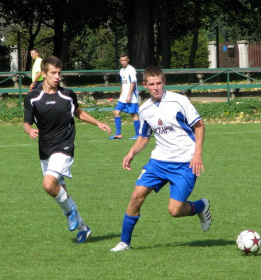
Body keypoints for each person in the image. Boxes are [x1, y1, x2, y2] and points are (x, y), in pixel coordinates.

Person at [110, 66, 211, 252]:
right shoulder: (145, 109)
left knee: (174, 210)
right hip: (158, 162)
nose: (156, 87)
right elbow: (144, 136)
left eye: (159, 83)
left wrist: (197, 155)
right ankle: (125, 242)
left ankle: (200, 206)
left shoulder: (179, 101)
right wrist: (131, 153)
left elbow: (199, 125)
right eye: (151, 84)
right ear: (145, 85)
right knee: (136, 196)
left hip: (184, 163)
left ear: (164, 82)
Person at [23, 55, 112, 243]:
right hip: (45, 149)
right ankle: (83, 228)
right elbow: (26, 123)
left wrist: (98, 123)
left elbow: (78, 112)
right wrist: (29, 130)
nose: (57, 77)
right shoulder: (32, 97)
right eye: (53, 73)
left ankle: (70, 213)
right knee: (59, 190)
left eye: (59, 73)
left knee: (48, 185)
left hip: (64, 146)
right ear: (44, 74)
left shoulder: (67, 95)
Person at [108, 53, 140, 140]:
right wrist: (121, 95)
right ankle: (118, 134)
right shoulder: (121, 70)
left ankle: (138, 135)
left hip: (131, 97)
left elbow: (133, 83)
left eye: (125, 60)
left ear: (128, 60)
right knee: (116, 112)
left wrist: (129, 95)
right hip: (123, 97)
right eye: (122, 60)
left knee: (133, 115)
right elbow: (123, 84)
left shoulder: (131, 70)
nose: (123, 62)